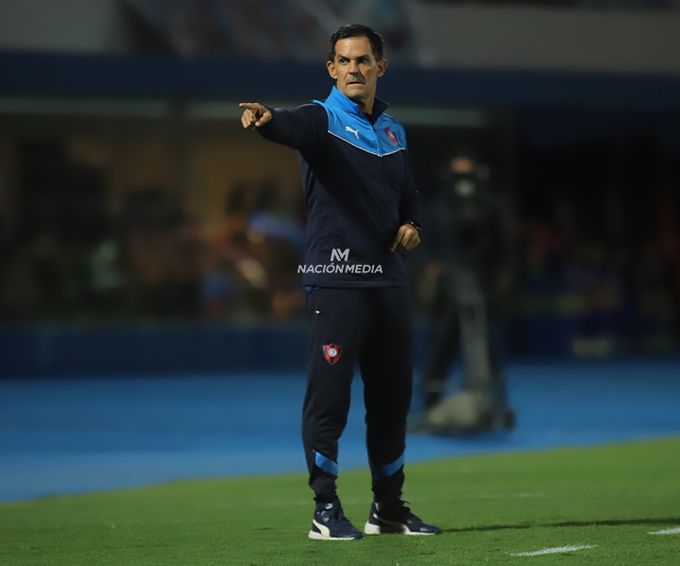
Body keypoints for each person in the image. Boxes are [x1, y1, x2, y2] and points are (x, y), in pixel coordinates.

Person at [239, 24, 440, 540]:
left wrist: (412, 225)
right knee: (329, 400)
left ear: (380, 67)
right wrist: (266, 119)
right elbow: (289, 126)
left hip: (389, 283)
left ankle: (388, 508)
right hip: (338, 281)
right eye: (344, 61)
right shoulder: (320, 119)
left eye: (363, 60)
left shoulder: (394, 131)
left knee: (392, 399)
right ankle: (324, 509)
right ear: (331, 69)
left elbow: (409, 196)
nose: (353, 69)